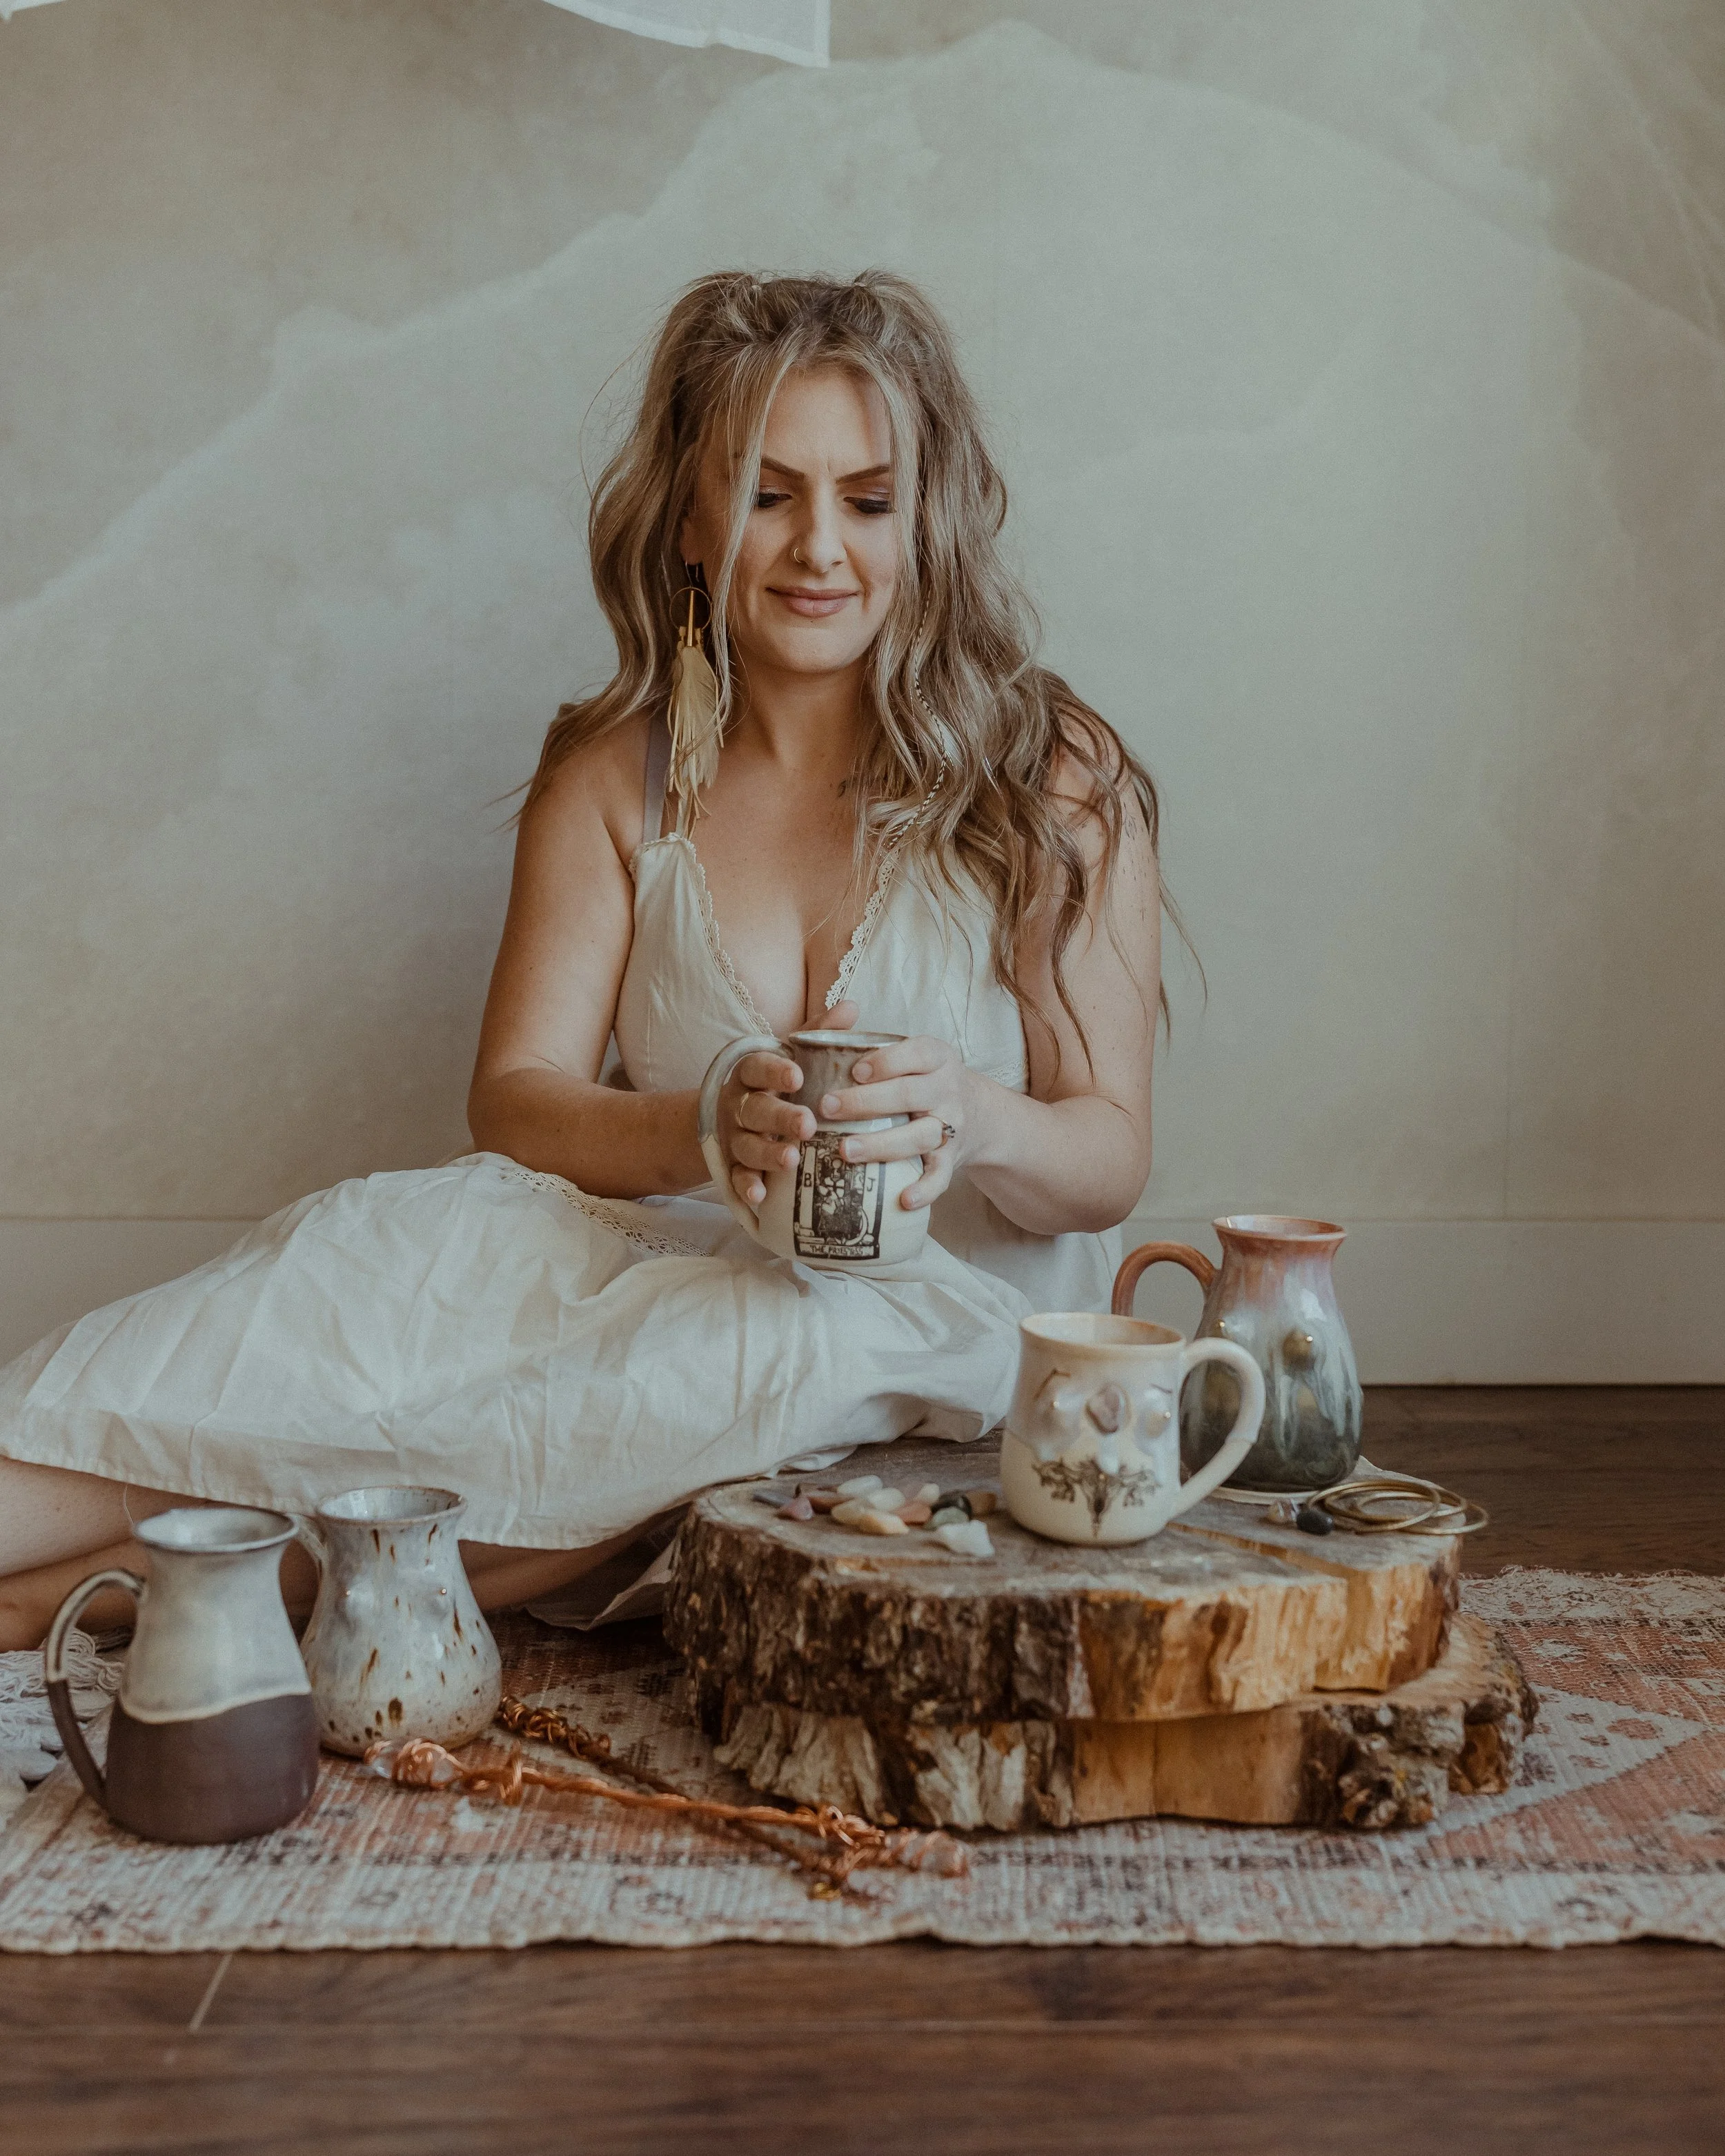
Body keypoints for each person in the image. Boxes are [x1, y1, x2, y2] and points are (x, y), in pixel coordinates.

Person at [0, 270, 1167, 1650]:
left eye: (866, 498)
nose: (817, 548)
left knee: (773, 1343)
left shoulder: (1047, 773)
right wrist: (697, 1125)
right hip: (664, 1255)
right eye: (764, 494)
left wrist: (970, 1114)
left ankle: (58, 1611)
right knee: (355, 1265)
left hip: (935, 1324)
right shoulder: (612, 776)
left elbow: (1108, 1154)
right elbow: (517, 1099)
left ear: (929, 519)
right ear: (688, 515)